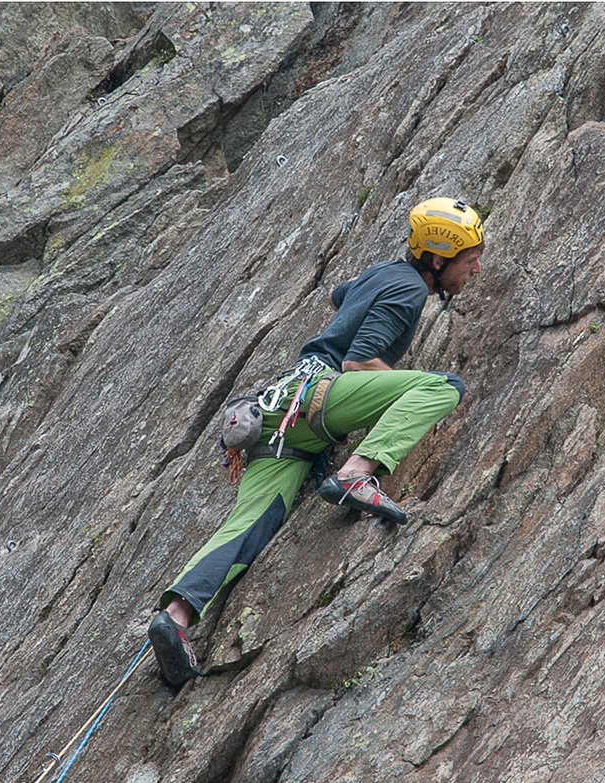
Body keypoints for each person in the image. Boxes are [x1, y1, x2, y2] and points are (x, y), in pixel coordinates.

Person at [146, 197, 485, 686]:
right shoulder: (410, 289)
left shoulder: (384, 273)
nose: (476, 267)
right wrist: (396, 400)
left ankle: (175, 618)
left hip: (280, 418)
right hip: (321, 398)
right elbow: (359, 361)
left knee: (252, 522)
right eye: (470, 257)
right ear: (438, 258)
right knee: (441, 386)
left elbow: (339, 294)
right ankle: (357, 474)